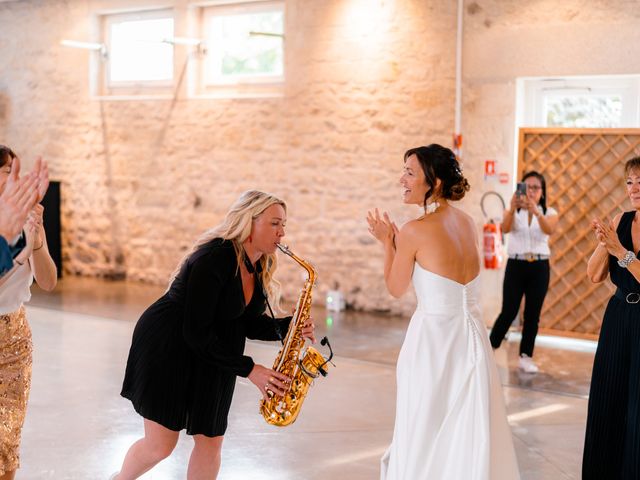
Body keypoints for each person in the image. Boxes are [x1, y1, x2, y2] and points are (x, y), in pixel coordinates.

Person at [115, 190, 316, 479]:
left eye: (283, 224)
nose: (282, 232)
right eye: (275, 223)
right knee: (160, 445)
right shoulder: (214, 258)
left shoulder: (259, 263)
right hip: (169, 344)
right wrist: (250, 369)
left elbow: (245, 321)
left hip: (216, 348)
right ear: (250, 221)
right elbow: (195, 333)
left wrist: (289, 327)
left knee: (211, 440)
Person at [367, 144, 519, 480]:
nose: (401, 179)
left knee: (425, 424)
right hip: (472, 340)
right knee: (467, 424)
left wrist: (386, 243)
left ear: (433, 182)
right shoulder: (466, 222)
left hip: (433, 343)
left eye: (410, 172)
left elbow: (395, 287)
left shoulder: (415, 230)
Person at [0, 146, 56, 480]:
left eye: (13, 170)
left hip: (14, 336)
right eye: (6, 170)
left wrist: (34, 242)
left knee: (7, 435)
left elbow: (48, 282)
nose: (12, 177)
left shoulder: (29, 220)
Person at [582, 156, 640, 479]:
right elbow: (593, 275)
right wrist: (605, 243)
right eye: (630, 182)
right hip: (618, 318)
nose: (634, 188)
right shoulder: (621, 219)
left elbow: (628, 261)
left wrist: (622, 252)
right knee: (609, 398)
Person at [489, 171, 559, 373]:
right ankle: (490, 348)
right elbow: (504, 228)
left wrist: (536, 211)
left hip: (539, 266)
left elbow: (549, 230)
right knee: (509, 310)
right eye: (527, 187)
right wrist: (512, 208)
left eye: (536, 188)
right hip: (516, 265)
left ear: (542, 192)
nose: (531, 191)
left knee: (532, 314)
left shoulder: (549, 212)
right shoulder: (511, 210)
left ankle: (525, 356)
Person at [0, 152, 42, 278]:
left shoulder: (25, 214)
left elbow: (49, 283)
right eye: (9, 171)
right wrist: (23, 255)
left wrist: (36, 242)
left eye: (17, 173)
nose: (16, 179)